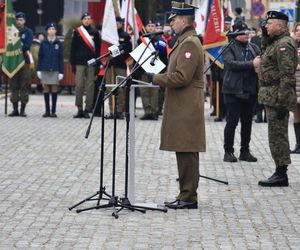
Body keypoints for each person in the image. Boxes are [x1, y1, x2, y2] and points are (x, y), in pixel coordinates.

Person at [147, 1, 205, 209]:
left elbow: (182, 77)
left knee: (187, 150)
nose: (171, 24)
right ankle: (185, 194)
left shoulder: (189, 43)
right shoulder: (185, 40)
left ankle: (188, 197)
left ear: (183, 20)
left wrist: (157, 78)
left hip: (187, 105)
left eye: (173, 20)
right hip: (183, 104)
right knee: (184, 149)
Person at [253, 11, 297, 187]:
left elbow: (287, 75)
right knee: (274, 135)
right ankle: (279, 171)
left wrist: (282, 100)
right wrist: (265, 36)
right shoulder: (275, 43)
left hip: (278, 96)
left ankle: (281, 174)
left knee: (278, 136)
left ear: (280, 25)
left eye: (269, 24)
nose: (266, 26)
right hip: (271, 95)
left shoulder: (284, 45)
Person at [222, 21, 261, 162]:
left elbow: (260, 62)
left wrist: (258, 66)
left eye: (248, 33)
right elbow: (231, 64)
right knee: (232, 122)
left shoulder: (254, 48)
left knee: (247, 122)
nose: (247, 35)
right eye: (243, 33)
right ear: (236, 34)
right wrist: (252, 64)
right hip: (233, 90)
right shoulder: (228, 48)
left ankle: (245, 150)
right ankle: (228, 151)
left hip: (250, 90)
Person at [70, 12, 100, 119]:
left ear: (91, 20)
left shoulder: (95, 32)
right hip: (79, 63)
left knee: (90, 86)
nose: (87, 20)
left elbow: (98, 51)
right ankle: (79, 109)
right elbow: (73, 48)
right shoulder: (77, 32)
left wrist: (97, 65)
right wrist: (72, 63)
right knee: (78, 86)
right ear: (82, 20)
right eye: (85, 18)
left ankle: (88, 109)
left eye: (88, 18)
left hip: (91, 63)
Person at [105, 16, 132, 119]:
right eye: (115, 23)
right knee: (110, 88)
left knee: (119, 88)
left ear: (121, 24)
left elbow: (128, 50)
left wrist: (118, 57)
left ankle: (119, 110)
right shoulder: (108, 35)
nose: (116, 25)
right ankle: (112, 110)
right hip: (110, 65)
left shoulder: (125, 36)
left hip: (120, 65)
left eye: (118, 23)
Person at [8, 12, 33, 117]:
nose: (19, 21)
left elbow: (27, 46)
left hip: (24, 62)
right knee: (13, 85)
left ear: (24, 21)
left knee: (23, 85)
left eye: (21, 20)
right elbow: (9, 46)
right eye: (18, 20)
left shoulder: (28, 32)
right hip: (13, 61)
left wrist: (17, 46)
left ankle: (22, 110)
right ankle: (15, 110)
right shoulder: (11, 31)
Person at [37, 22, 64, 118]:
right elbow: (40, 57)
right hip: (44, 68)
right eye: (49, 29)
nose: (51, 31)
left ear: (56, 31)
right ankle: (47, 111)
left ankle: (53, 111)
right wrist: (39, 69)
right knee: (46, 89)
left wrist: (61, 71)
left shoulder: (58, 43)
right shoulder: (43, 42)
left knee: (54, 88)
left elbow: (61, 58)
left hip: (55, 68)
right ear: (47, 31)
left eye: (53, 29)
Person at [139, 20, 160, 120]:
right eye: (149, 26)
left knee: (154, 92)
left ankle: (154, 112)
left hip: (155, 70)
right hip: (144, 70)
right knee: (144, 92)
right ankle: (147, 112)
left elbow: (163, 55)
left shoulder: (159, 39)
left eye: (153, 26)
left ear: (155, 28)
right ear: (146, 28)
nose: (151, 28)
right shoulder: (142, 40)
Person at [291, 22, 300, 154]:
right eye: (297, 30)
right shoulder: (291, 45)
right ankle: (298, 144)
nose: (299, 32)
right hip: (294, 84)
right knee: (297, 115)